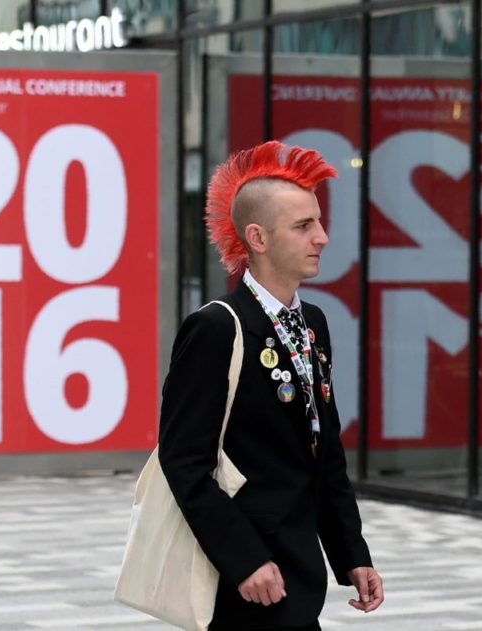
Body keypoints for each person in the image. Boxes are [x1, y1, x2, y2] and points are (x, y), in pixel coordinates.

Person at [158, 141, 383, 629]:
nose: (321, 237)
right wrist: (243, 560)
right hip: (245, 585)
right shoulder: (216, 328)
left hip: (298, 577)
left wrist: (351, 554)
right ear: (257, 238)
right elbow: (183, 462)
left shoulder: (314, 324)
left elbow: (324, 452)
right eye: (304, 226)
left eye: (319, 221)